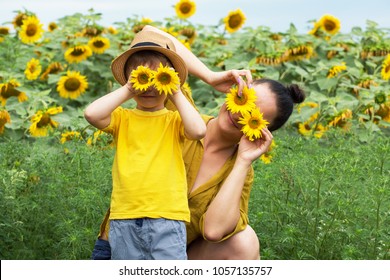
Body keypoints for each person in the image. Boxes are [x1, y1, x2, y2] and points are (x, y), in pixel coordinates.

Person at [91, 25, 306, 260]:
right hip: (123, 242)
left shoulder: (238, 169)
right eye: (242, 100)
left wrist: (243, 161)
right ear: (234, 93)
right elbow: (151, 34)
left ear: (261, 132)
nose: (239, 114)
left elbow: (214, 231)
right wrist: (210, 77)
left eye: (253, 117)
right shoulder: (178, 117)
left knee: (245, 242)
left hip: (171, 251)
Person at [84, 29, 207, 260]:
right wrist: (128, 89)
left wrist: (175, 91)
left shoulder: (174, 121)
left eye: (157, 79)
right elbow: (91, 113)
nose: (149, 87)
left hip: (167, 216)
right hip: (124, 216)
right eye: (142, 78)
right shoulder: (123, 118)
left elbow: (199, 130)